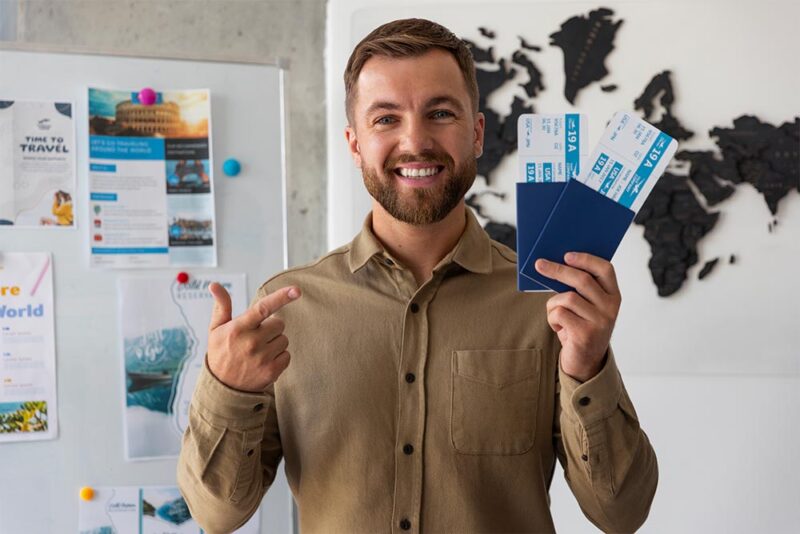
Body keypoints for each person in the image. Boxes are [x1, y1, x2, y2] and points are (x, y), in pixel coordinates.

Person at [178, 18, 657, 534]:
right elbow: (218, 514)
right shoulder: (286, 307)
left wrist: (588, 366)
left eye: (441, 112)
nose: (416, 141)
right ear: (355, 143)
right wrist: (226, 388)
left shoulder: (545, 299)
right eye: (385, 119)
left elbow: (621, 513)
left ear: (476, 133)